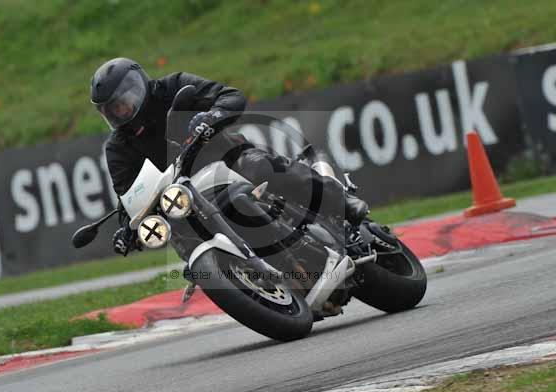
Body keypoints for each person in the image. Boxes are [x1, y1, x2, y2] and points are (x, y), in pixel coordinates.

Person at [90, 58, 369, 255]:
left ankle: (342, 202)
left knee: (259, 168)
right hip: (186, 195)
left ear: (137, 86)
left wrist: (211, 116)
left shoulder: (172, 87)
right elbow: (129, 194)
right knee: (181, 235)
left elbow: (230, 96)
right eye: (111, 110)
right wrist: (128, 228)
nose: (119, 112)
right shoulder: (118, 147)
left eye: (121, 103)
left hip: (227, 158)